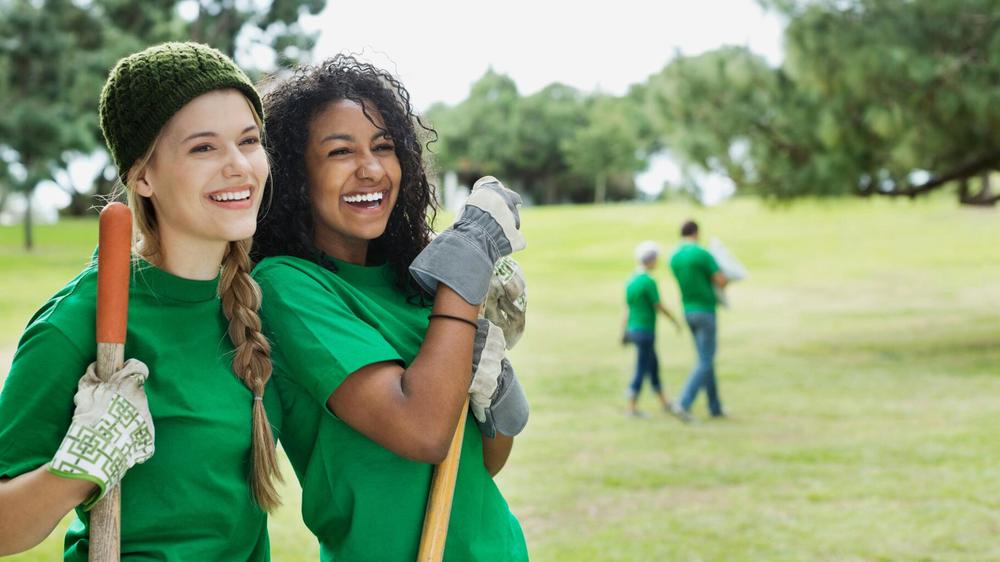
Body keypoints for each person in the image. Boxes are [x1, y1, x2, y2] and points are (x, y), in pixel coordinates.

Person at [0, 42, 282, 559]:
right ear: (143, 176)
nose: (239, 166)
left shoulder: (258, 305)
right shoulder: (79, 321)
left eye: (249, 140)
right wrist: (79, 467)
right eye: (204, 148)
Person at [251, 55, 529, 561]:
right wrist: (464, 273)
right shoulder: (287, 287)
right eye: (340, 152)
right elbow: (421, 432)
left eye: (385, 147)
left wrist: (499, 398)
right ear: (293, 174)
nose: (372, 169)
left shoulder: (416, 281)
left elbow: (477, 463)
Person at [669, 220, 728, 419]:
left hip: (688, 310)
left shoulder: (674, 258)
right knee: (706, 359)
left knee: (705, 358)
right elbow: (720, 280)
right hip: (705, 310)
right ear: (696, 232)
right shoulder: (702, 254)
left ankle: (715, 407)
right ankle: (684, 402)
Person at [622, 241, 684, 419]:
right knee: (642, 368)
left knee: (653, 365)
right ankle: (632, 407)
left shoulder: (631, 281)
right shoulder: (648, 281)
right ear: (649, 260)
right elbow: (658, 305)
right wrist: (674, 321)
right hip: (645, 330)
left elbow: (627, 309)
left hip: (634, 329)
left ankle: (664, 402)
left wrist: (624, 332)